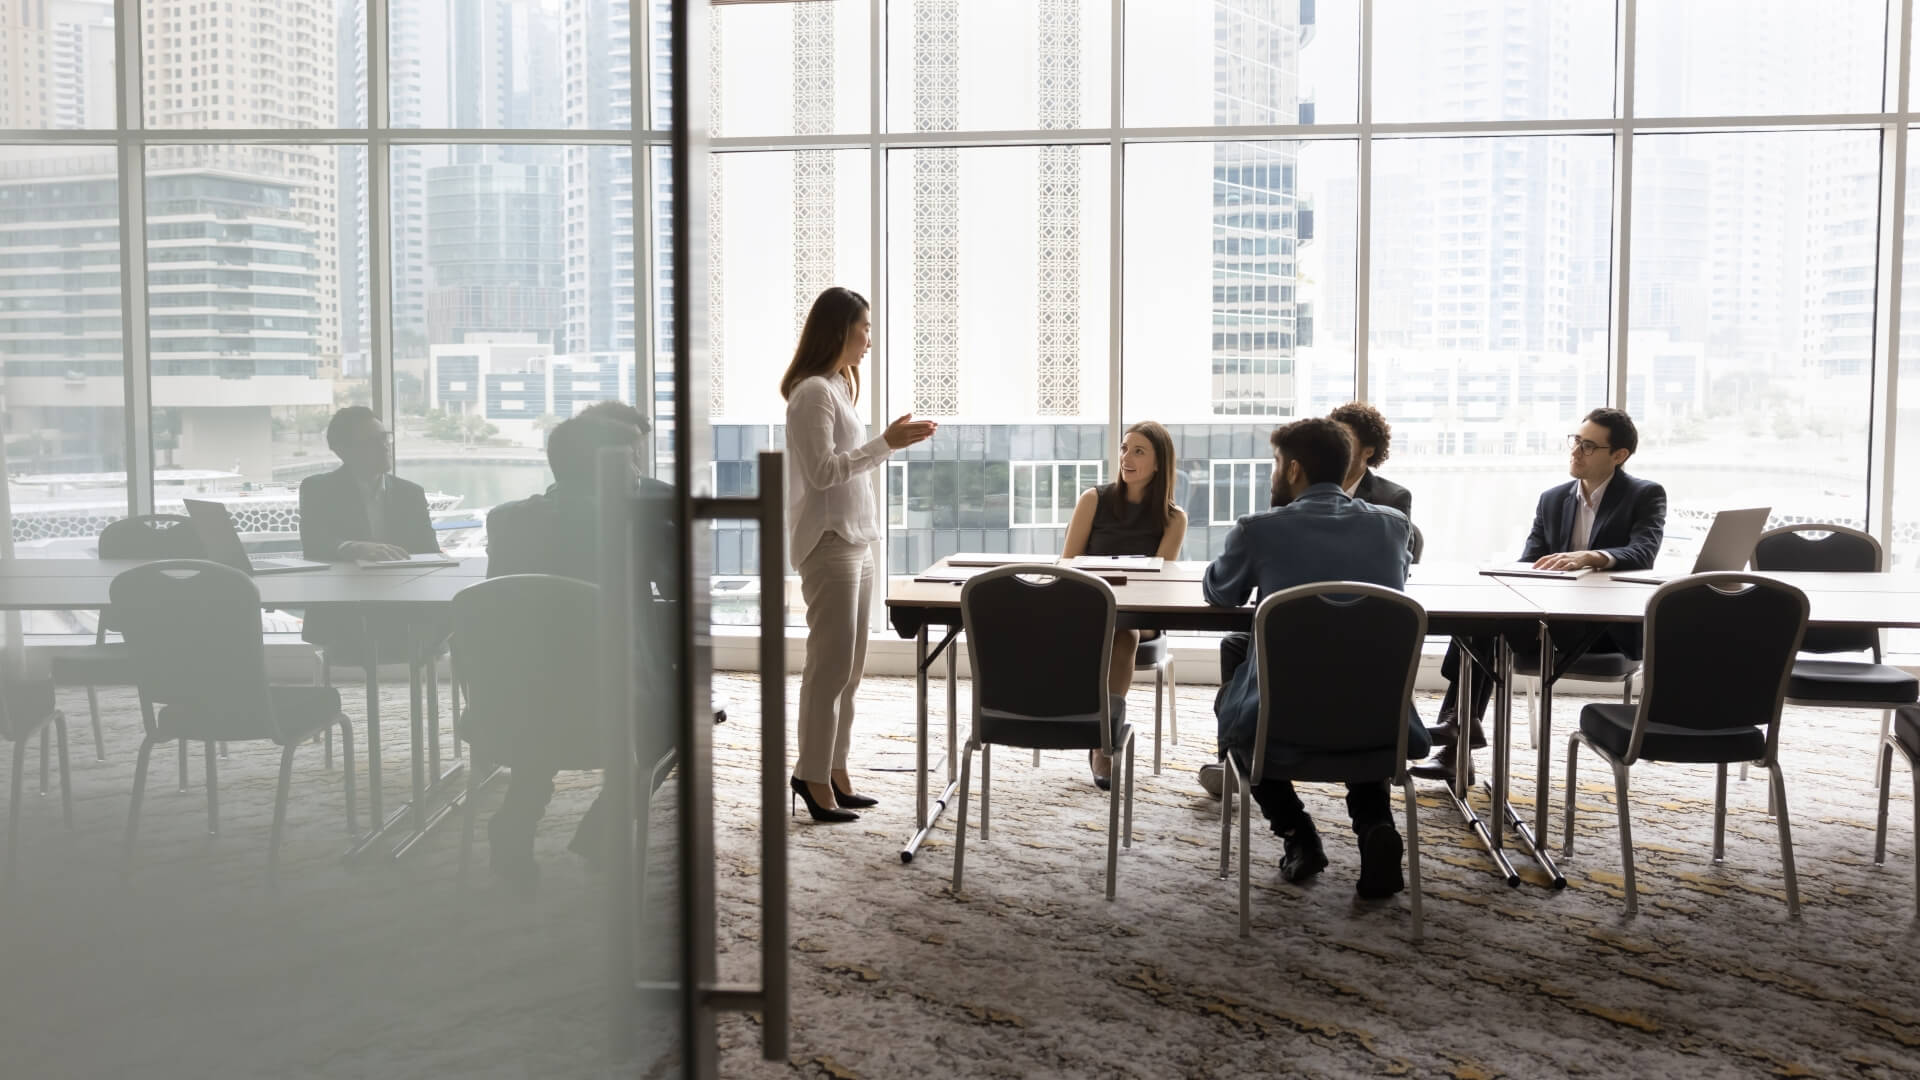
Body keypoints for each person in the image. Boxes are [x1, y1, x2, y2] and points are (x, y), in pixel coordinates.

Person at [1201, 417, 1426, 897]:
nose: (1273, 474)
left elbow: (1221, 593)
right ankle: (1373, 827)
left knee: (1232, 711)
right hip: (1376, 717)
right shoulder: (1393, 527)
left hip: (1281, 719)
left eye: (1276, 465)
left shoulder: (1259, 529)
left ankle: (1297, 833)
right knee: (1354, 702)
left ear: (1295, 469)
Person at [1412, 406, 1666, 779]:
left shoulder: (1643, 495)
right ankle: (1458, 734)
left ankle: (1456, 738)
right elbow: (1531, 560)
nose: (1576, 451)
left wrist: (1591, 557)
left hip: (1604, 630)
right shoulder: (1553, 498)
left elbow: (1644, 550)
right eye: (1575, 441)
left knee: (1486, 630)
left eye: (1589, 446)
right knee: (1480, 621)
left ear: (1619, 455)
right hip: (1550, 620)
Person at [472, 409, 654, 887]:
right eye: (632, 462)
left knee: (548, 690)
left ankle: (515, 820)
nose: (639, 472)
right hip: (598, 709)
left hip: (508, 701)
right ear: (608, 469)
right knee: (670, 717)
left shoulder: (505, 519)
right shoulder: (623, 526)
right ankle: (601, 833)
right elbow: (646, 615)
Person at [783, 286, 936, 823]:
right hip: (829, 541)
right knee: (827, 669)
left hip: (856, 538)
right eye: (864, 327)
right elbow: (824, 472)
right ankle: (811, 775)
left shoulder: (840, 388)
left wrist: (887, 443)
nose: (870, 339)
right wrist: (886, 443)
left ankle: (835, 769)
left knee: (849, 670)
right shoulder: (811, 394)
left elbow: (847, 468)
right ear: (838, 329)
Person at [1060, 420, 1188, 789]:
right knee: (1111, 627)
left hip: (1140, 615)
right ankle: (1085, 728)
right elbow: (1068, 564)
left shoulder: (1173, 518)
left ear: (1159, 463)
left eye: (1138, 451)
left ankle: (1104, 740)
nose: (1126, 458)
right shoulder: (1093, 499)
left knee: (1125, 632)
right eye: (1124, 448)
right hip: (1091, 608)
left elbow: (1159, 583)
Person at [298, 406, 442, 661]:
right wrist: (354, 547)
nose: (384, 446)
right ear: (342, 451)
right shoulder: (318, 489)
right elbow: (314, 542)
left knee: (463, 620)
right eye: (372, 441)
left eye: (384, 438)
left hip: (405, 603)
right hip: (345, 606)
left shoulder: (410, 493)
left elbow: (429, 550)